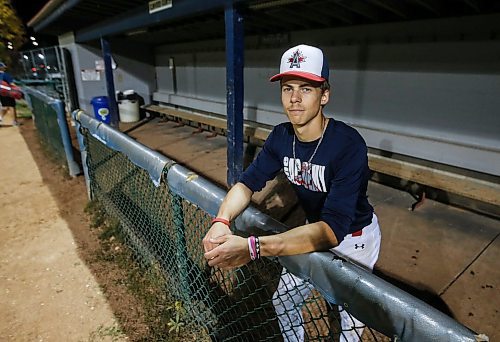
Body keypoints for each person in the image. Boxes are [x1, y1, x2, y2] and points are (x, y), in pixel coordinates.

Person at [202, 44, 381, 342]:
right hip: (311, 230)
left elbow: (333, 230)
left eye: (306, 89)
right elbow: (247, 184)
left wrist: (253, 247)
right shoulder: (281, 136)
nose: (294, 99)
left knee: (348, 319)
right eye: (288, 88)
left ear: (325, 95)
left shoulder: (348, 145)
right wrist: (221, 220)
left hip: (354, 238)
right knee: (283, 301)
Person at [0, 61, 18, 126]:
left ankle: (0, 118)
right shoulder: (5, 74)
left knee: (5, 106)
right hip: (7, 92)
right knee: (11, 106)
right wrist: (18, 88)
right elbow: (11, 83)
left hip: (1, 92)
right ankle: (14, 122)